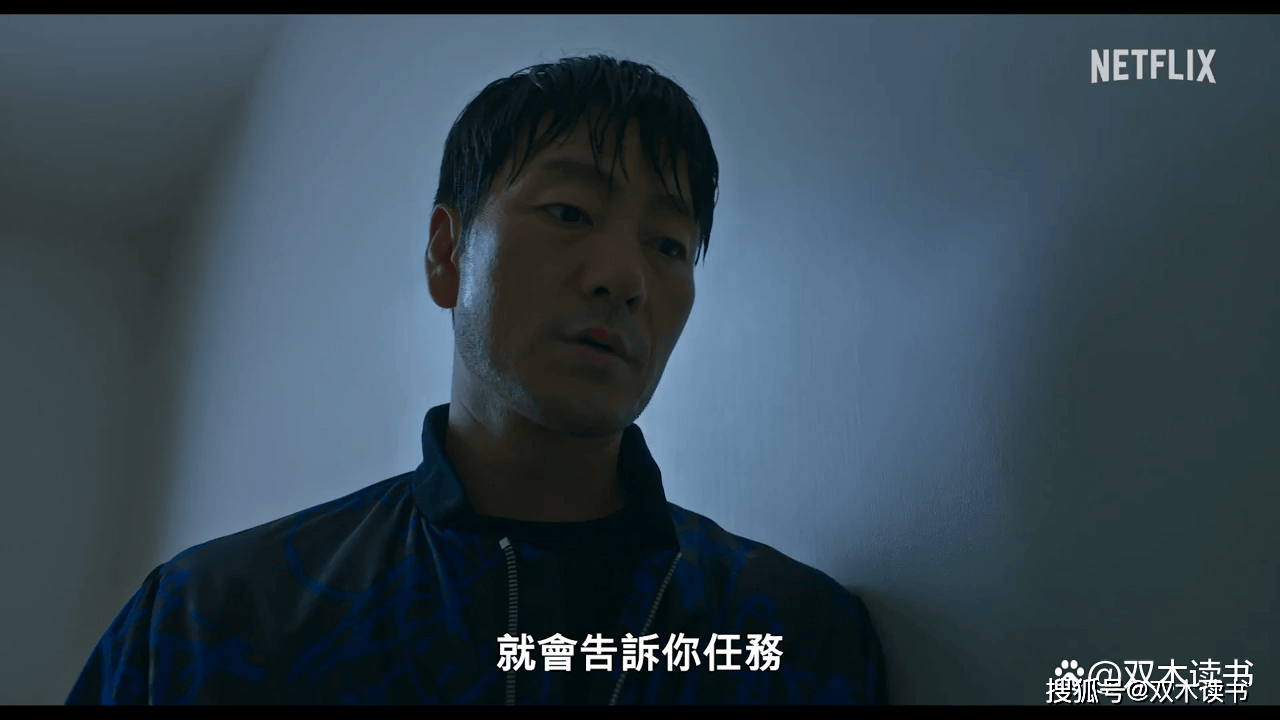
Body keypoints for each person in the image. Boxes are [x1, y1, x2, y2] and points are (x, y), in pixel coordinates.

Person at [66, 54, 887, 705]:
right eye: (569, 213)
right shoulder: (215, 619)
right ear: (447, 253)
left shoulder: (789, 635)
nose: (623, 276)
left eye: (668, 246)